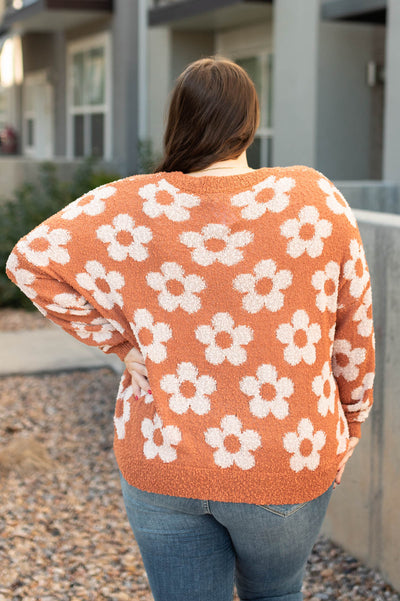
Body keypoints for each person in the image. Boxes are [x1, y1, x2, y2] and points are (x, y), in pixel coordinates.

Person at [6, 56, 375, 601]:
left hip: (164, 456)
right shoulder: (314, 200)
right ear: (250, 121)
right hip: (286, 456)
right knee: (275, 594)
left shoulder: (132, 204)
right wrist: (353, 419)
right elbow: (354, 325)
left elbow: (30, 260)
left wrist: (117, 343)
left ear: (177, 121)